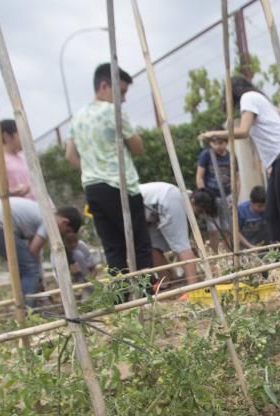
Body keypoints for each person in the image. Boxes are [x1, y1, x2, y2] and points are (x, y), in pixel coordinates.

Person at [199, 77, 280, 245]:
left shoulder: (248, 98)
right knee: (271, 215)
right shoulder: (260, 99)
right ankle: (279, 262)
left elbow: (243, 131)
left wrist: (214, 135)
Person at [65, 63, 152, 274]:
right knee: (139, 243)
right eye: (121, 91)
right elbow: (137, 147)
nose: (123, 98)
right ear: (104, 85)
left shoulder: (77, 117)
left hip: (93, 188)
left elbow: (69, 155)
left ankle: (120, 302)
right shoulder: (112, 112)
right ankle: (148, 296)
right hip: (120, 185)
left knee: (113, 248)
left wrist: (91, 169)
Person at [0, 197, 46, 303]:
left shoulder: (40, 213)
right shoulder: (49, 220)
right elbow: (33, 252)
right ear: (65, 223)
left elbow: (32, 250)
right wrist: (36, 277)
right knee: (29, 269)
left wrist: (37, 277)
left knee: (24, 267)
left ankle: (24, 303)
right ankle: (29, 309)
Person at [140, 182, 204, 286]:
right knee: (153, 246)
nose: (199, 215)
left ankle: (190, 286)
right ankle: (171, 282)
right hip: (159, 202)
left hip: (159, 202)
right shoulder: (178, 200)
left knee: (179, 246)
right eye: (200, 211)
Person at [195, 128, 239, 252]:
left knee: (228, 228)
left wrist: (235, 199)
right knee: (213, 229)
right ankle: (215, 256)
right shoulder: (206, 155)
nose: (218, 146)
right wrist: (203, 196)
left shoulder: (231, 156)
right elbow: (199, 176)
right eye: (215, 143)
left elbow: (236, 179)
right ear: (211, 143)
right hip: (211, 197)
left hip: (227, 196)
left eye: (221, 143)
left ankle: (230, 253)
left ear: (227, 142)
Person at [0, 119, 34, 200]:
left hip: (36, 205)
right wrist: (11, 192)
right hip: (17, 207)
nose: (24, 138)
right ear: (6, 136)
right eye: (20, 134)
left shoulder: (22, 157)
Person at [55, 207, 98, 285]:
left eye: (75, 242)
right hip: (69, 283)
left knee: (78, 254)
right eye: (70, 243)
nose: (74, 245)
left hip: (86, 280)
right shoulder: (58, 249)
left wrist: (89, 281)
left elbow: (94, 268)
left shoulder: (81, 246)